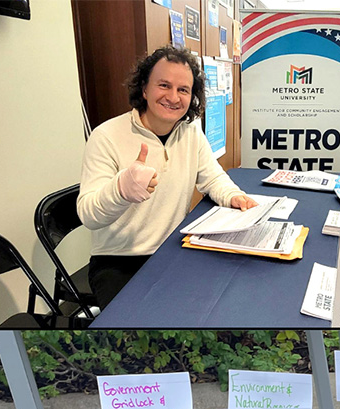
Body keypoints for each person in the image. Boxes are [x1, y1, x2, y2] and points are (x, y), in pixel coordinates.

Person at [77, 46, 258, 308]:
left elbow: (213, 178)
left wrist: (233, 196)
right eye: (164, 85)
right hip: (119, 260)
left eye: (183, 89)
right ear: (144, 89)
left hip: (173, 249)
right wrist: (120, 191)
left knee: (221, 303)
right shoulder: (105, 136)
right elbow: (88, 216)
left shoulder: (190, 132)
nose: (173, 97)